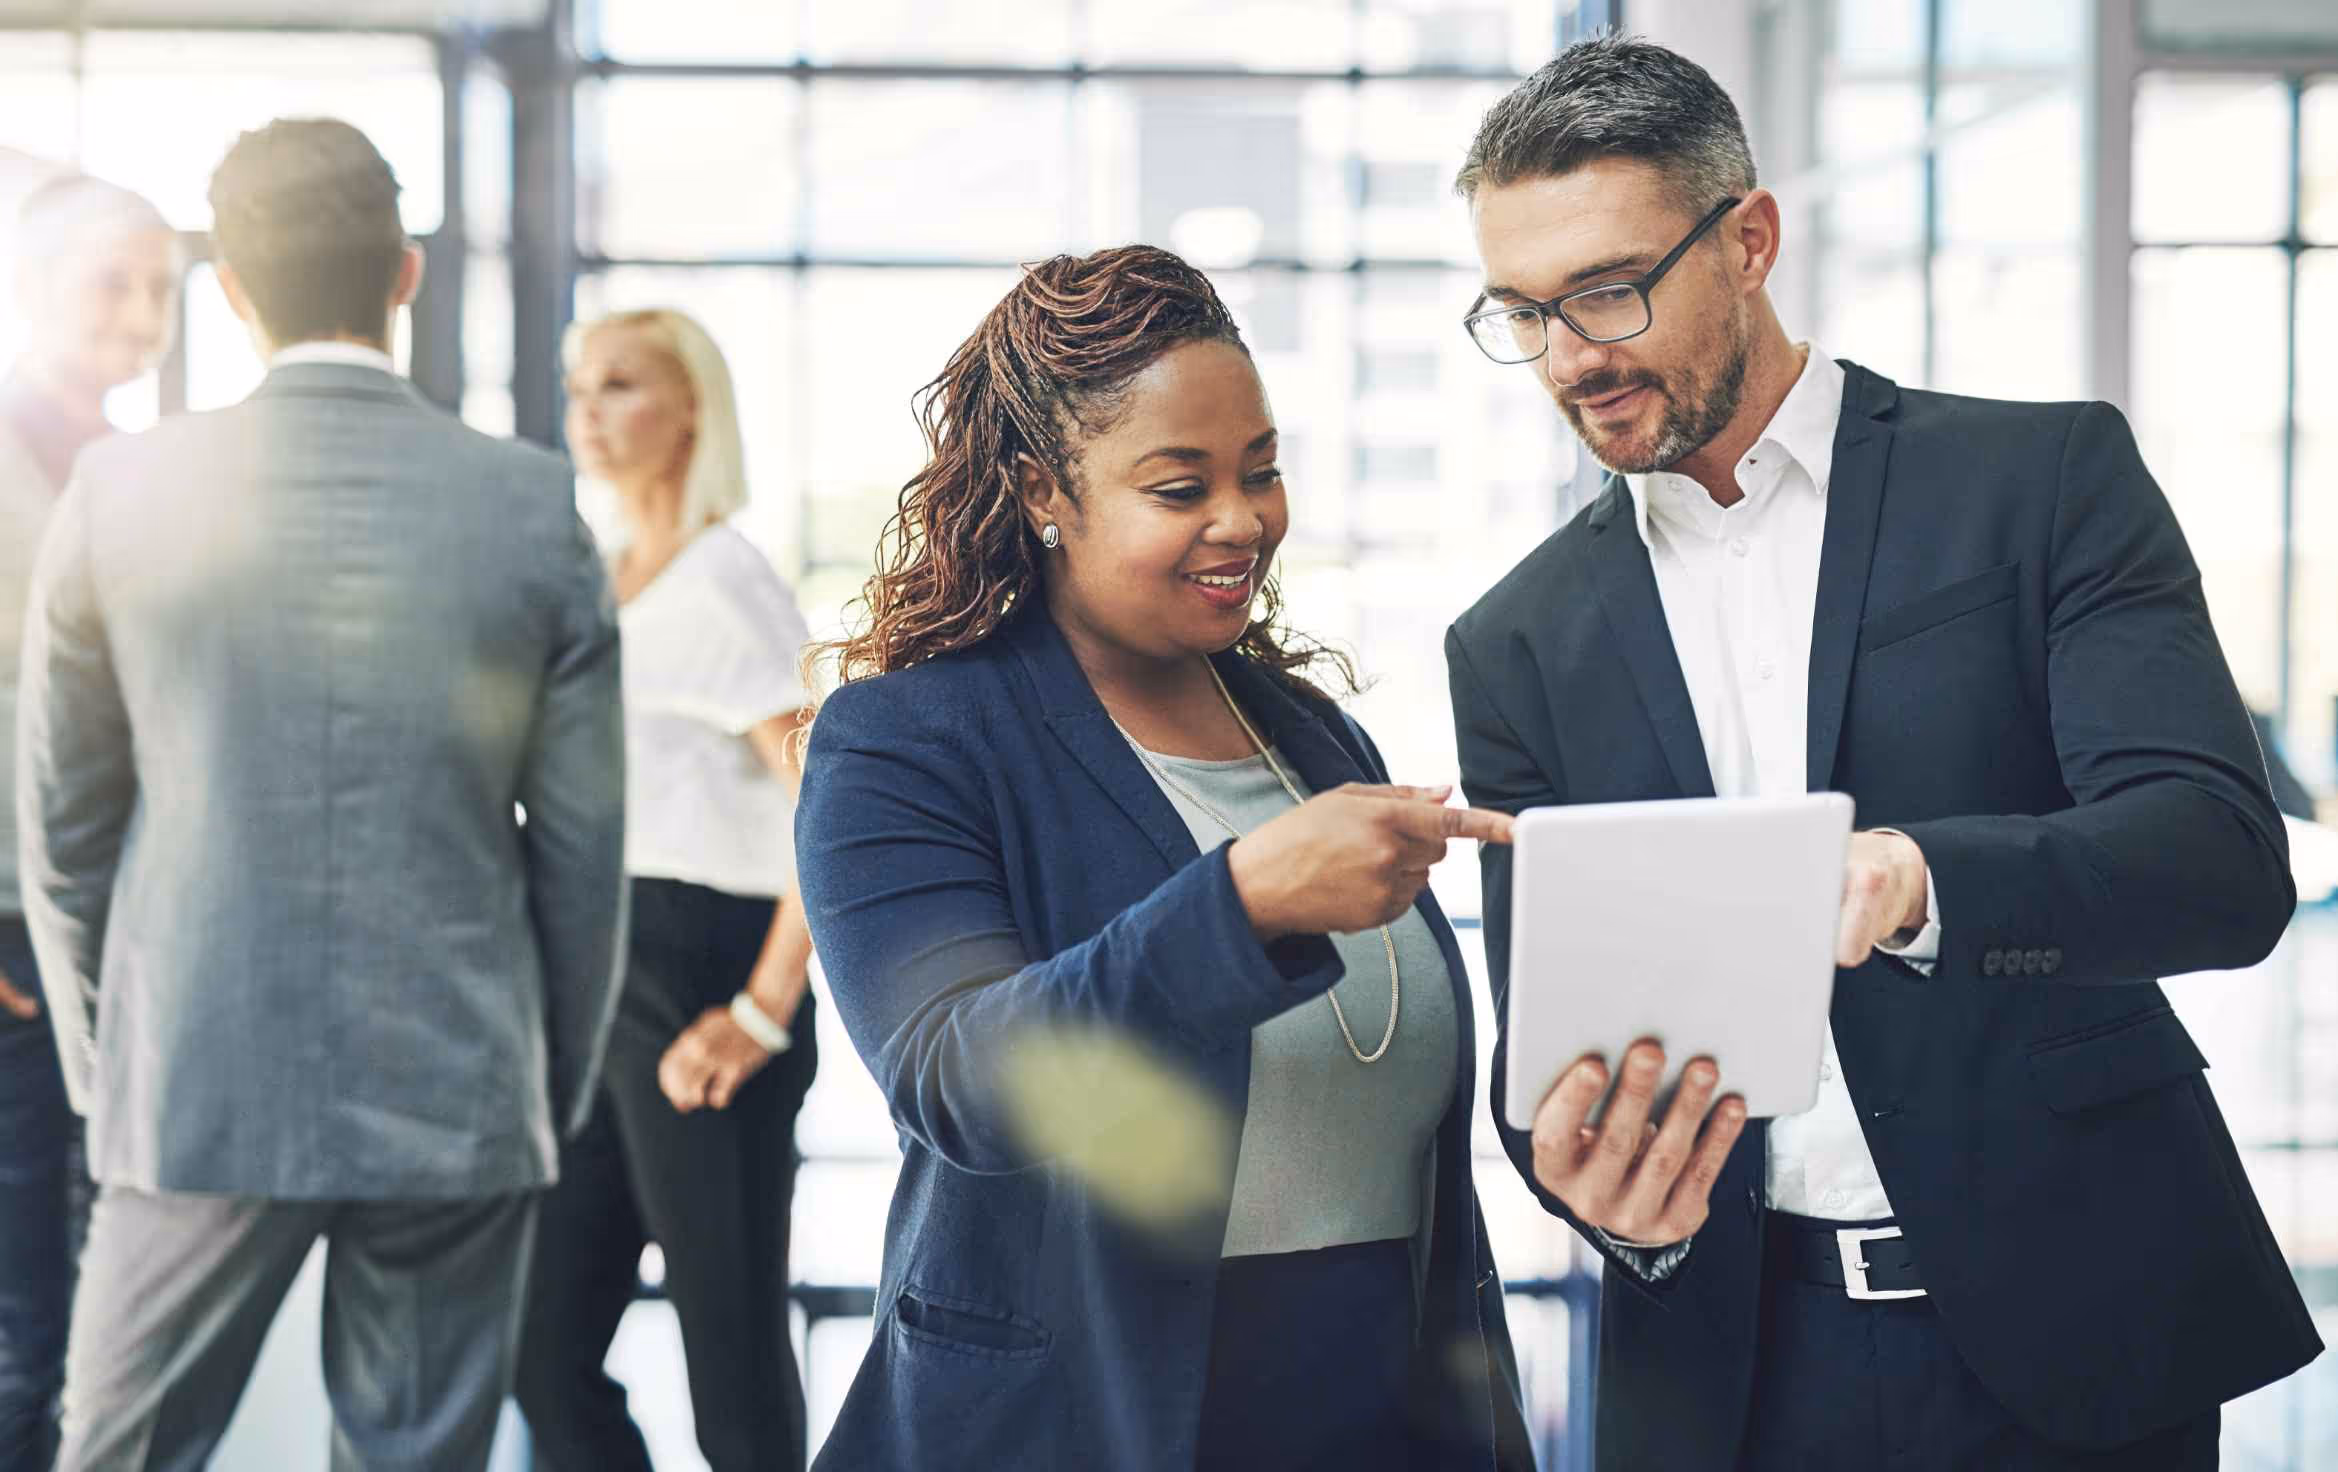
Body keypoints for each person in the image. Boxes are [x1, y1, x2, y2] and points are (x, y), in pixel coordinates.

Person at [1443, 35, 2320, 1472]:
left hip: (2078, 1342)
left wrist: (1915, 880)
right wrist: (1601, 1195)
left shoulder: (2039, 485)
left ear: (1747, 240)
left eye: (1606, 292)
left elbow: (2214, 865)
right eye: (1523, 313)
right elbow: (1550, 1058)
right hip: (1733, 1382)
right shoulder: (1516, 642)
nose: (1571, 358)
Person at [792, 245, 1531, 1472]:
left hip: (1378, 1417)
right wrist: (1243, 901)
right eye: (1179, 487)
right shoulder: (907, 741)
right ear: (1046, 491)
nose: (1241, 521)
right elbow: (959, 1074)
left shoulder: (1306, 732)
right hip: (1086, 1426)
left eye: (1262, 471)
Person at [13, 118, 628, 1471]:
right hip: (458, 1079)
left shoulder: (120, 493)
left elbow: (61, 834)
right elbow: (585, 857)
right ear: (403, 274)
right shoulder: (533, 507)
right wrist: (540, 1081)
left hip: (191, 1079)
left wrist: (121, 1065)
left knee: (116, 1451)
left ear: (230, 291)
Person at [513, 307, 821, 1472]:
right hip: (599, 972)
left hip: (705, 960)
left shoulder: (723, 579)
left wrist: (760, 1010)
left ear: (689, 408)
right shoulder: (599, 576)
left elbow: (833, 813)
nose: (587, 410)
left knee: (732, 1379)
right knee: (543, 1353)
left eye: (620, 386)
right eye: (577, 385)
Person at [0, 170, 177, 1472]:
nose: (140, 311)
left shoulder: (146, 472)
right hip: (12, 929)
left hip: (132, 927)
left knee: (111, 1274)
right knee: (20, 1296)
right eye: (110, 281)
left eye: (161, 287)